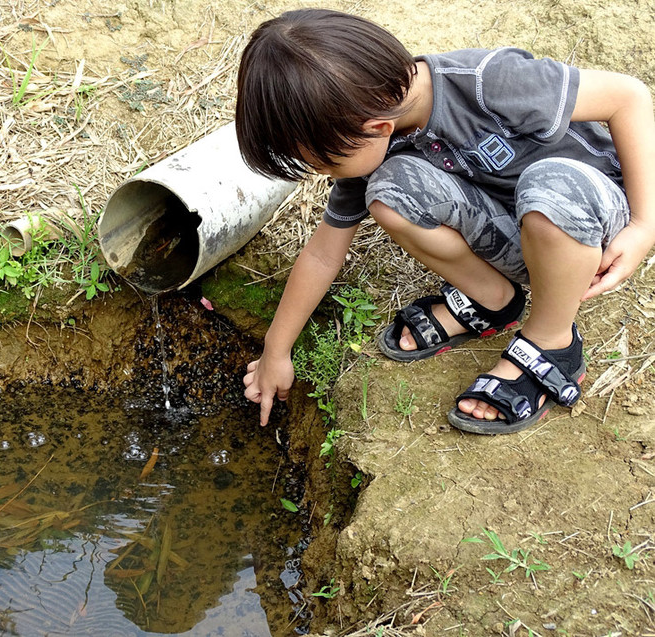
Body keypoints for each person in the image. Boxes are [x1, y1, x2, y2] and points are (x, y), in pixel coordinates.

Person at [236, 8, 655, 434]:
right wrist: (275, 349)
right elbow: (324, 254)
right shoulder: (370, 136)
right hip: (523, 235)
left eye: (325, 164)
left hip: (588, 222)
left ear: (377, 127)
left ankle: (552, 340)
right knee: (388, 193)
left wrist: (643, 224)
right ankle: (493, 299)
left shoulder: (488, 82)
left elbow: (628, 97)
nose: (326, 175)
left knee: (546, 186)